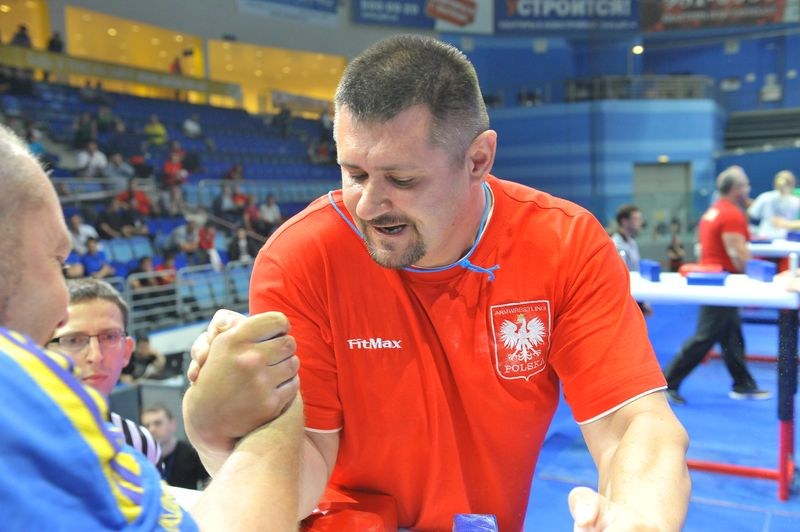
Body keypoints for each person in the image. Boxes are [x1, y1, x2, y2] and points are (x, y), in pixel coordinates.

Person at [184, 35, 689, 531]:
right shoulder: (301, 257)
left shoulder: (565, 244)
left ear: (478, 160)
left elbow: (633, 424)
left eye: (401, 180)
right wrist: (214, 436)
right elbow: (305, 460)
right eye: (354, 173)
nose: (367, 205)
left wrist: (640, 517)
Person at [0, 122, 303, 529]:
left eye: (108, 337)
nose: (63, 303)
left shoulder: (122, 437)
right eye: (58, 262)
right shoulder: (30, 406)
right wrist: (281, 399)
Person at [664, 166, 771, 405]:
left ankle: (743, 383)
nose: (749, 189)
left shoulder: (714, 211)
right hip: (721, 283)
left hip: (716, 279)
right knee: (705, 336)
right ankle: (666, 382)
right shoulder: (731, 214)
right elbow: (738, 256)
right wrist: (763, 280)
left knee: (731, 334)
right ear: (736, 189)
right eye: (745, 185)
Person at [47, 278, 161, 465]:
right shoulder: (13, 444)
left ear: (126, 351)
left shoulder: (142, 445)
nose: (96, 355)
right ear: (42, 350)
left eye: (109, 337)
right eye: (73, 340)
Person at [142, 404, 210, 490]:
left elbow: (211, 482)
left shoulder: (191, 453)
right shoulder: (141, 455)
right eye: (147, 425)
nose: (152, 429)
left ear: (172, 425)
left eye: (158, 423)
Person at [748, 170, 799, 239]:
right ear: (792, 184)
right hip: (780, 239)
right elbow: (751, 214)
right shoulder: (796, 201)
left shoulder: (765, 197)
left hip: (769, 238)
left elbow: (752, 214)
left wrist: (785, 224)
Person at [611, 204, 644, 272]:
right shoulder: (615, 244)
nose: (640, 222)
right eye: (636, 219)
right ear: (624, 221)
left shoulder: (632, 242)